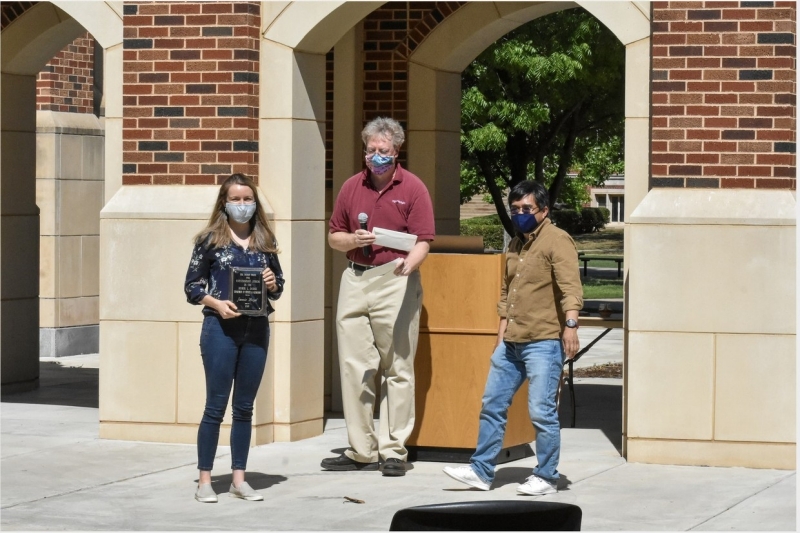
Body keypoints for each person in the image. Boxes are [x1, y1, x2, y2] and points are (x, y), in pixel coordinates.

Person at [443, 180, 582, 495]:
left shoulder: (557, 241)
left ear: (543, 210)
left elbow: (571, 288)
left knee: (541, 411)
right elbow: (507, 296)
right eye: (515, 208)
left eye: (527, 209)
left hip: (544, 341)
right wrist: (500, 338)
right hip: (512, 342)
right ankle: (481, 471)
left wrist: (571, 325)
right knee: (492, 403)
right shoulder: (515, 244)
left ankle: (546, 476)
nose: (520, 214)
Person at [322, 117, 435, 477]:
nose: (376, 157)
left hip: (396, 278)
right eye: (370, 151)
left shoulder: (414, 188)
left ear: (396, 151)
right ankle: (361, 450)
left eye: (382, 151)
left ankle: (393, 450)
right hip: (355, 278)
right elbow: (334, 236)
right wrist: (353, 240)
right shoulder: (351, 187)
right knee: (355, 368)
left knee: (397, 367)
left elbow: (424, 241)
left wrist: (410, 266)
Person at [184, 173, 285, 503]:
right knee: (215, 407)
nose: (242, 205)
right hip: (220, 331)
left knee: (244, 408)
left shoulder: (264, 241)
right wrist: (216, 303)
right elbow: (192, 287)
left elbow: (279, 287)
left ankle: (239, 479)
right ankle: (204, 480)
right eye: (236, 199)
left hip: (256, 330)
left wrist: (271, 282)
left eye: (247, 199)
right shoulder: (210, 241)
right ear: (224, 204)